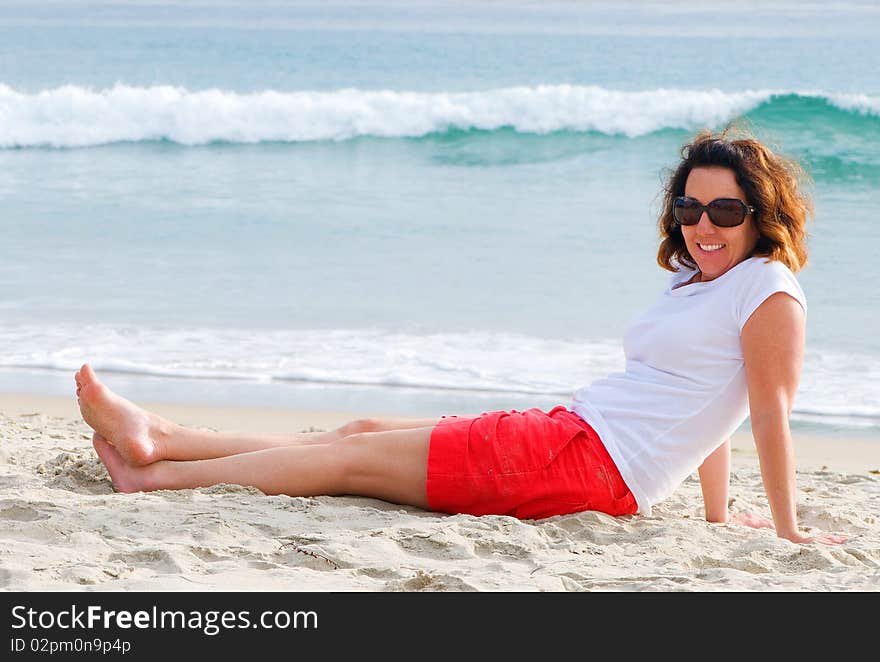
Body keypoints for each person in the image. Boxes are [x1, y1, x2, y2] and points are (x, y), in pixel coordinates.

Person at [75, 127, 846, 546]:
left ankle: (156, 476)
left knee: (348, 461)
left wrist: (785, 530)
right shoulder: (698, 284)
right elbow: (709, 408)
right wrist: (715, 520)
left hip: (587, 468)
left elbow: (766, 416)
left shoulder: (771, 291)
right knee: (363, 428)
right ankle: (165, 437)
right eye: (690, 208)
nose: (703, 227)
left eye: (725, 212)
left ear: (762, 214)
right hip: (573, 437)